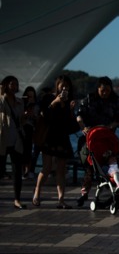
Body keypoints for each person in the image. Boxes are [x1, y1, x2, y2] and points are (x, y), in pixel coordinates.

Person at [75, 76, 119, 206]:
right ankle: (84, 193)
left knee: (111, 164)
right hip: (90, 138)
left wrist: (112, 126)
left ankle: (110, 191)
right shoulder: (89, 99)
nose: (105, 93)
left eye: (108, 90)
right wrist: (83, 127)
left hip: (107, 138)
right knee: (90, 167)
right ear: (98, 89)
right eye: (103, 90)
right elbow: (79, 115)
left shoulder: (115, 100)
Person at [32, 75, 79, 208]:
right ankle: (37, 193)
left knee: (61, 169)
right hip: (49, 136)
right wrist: (55, 102)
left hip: (62, 137)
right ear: (57, 85)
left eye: (67, 86)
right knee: (46, 168)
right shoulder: (48, 98)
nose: (64, 88)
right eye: (62, 85)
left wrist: (71, 110)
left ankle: (61, 199)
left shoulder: (69, 101)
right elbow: (44, 115)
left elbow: (71, 124)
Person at [0, 76, 27, 209]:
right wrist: (1, 92)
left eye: (16, 84)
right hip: (3, 139)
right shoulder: (1, 100)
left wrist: (26, 117)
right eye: (11, 84)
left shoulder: (20, 102)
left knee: (17, 172)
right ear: (5, 85)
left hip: (16, 140)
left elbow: (21, 121)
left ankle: (17, 199)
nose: (14, 86)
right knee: (0, 170)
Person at [21, 86, 38, 179]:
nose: (30, 98)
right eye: (28, 96)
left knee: (29, 150)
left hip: (31, 129)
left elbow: (38, 119)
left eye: (32, 96)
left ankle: (28, 170)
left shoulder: (36, 106)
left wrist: (35, 116)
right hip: (22, 128)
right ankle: (24, 171)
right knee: (22, 150)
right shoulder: (20, 104)